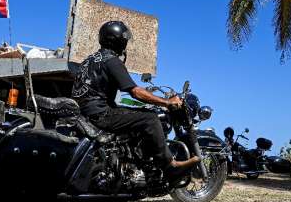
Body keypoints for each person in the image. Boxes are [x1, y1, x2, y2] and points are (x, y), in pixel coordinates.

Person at [72, 20, 200, 181]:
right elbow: (135, 92)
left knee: (132, 114)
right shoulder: (111, 61)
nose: (126, 43)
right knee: (151, 118)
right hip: (101, 114)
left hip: (84, 113)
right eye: (124, 39)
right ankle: (169, 166)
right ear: (117, 40)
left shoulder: (89, 60)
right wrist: (167, 102)